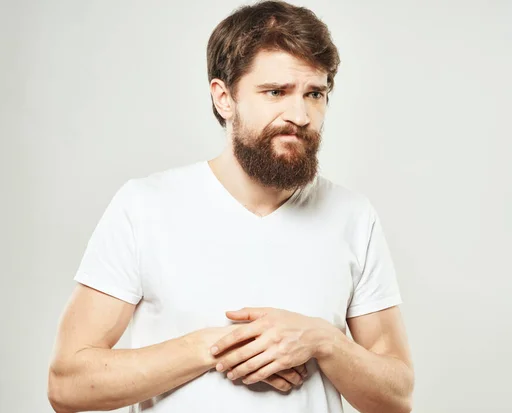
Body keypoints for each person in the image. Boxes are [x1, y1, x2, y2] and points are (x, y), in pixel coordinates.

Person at [47, 1, 415, 412]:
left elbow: (396, 397)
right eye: (275, 92)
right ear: (224, 98)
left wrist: (323, 341)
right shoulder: (145, 207)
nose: (300, 115)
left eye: (315, 94)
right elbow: (68, 384)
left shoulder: (353, 216)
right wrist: (213, 346)